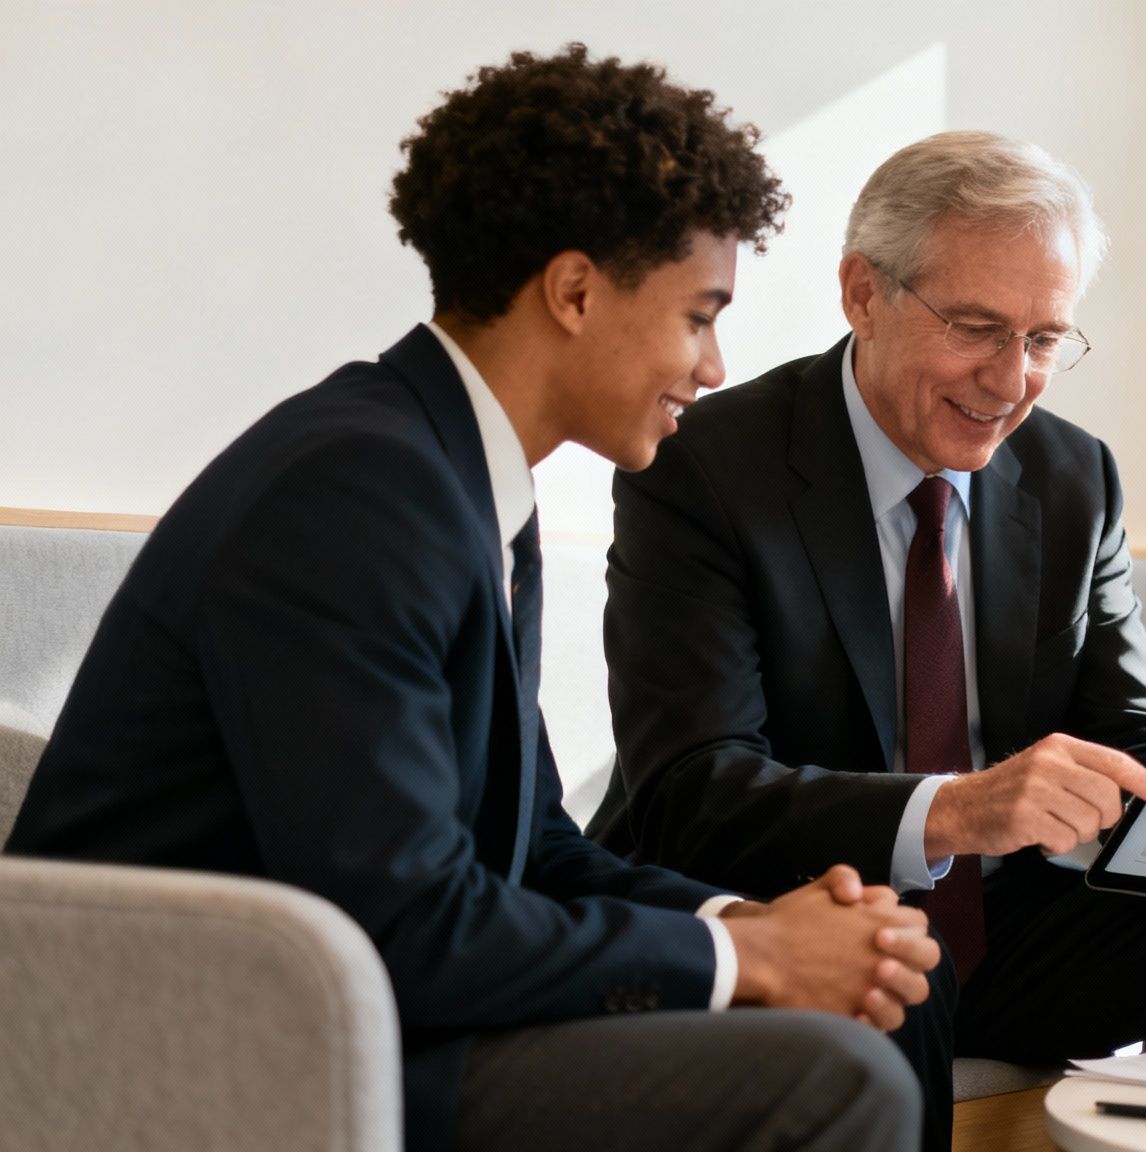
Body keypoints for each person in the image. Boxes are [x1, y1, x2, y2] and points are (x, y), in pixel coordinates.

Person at [5, 45, 939, 1152]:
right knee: (832, 1080)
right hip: (210, 1047)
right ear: (576, 291)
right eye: (698, 315)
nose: (716, 364)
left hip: (356, 1010)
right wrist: (754, 963)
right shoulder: (357, 494)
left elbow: (531, 844)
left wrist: (741, 921)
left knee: (859, 1043)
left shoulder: (454, 479)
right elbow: (403, 922)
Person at [590, 130, 1146, 1147]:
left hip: (1007, 930)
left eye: (1045, 338)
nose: (1011, 380)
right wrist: (953, 812)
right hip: (792, 914)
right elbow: (689, 791)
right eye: (976, 327)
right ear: (861, 294)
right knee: (893, 953)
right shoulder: (705, 467)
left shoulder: (1071, 477)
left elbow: (1128, 722)